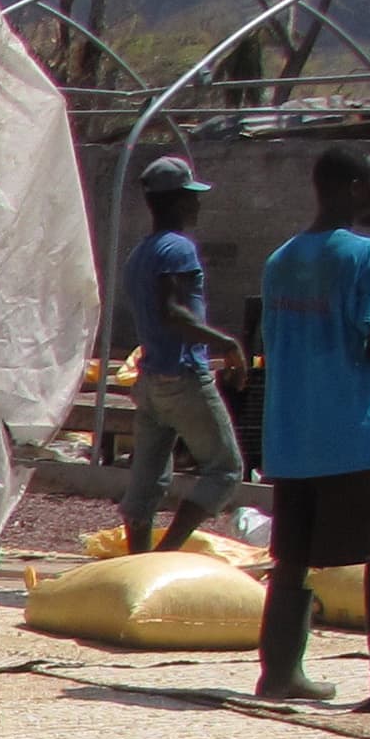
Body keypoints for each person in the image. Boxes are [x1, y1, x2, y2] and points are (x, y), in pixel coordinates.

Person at [254, 147, 370, 710]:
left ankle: (279, 674)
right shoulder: (365, 256)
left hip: (292, 436)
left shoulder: (281, 260)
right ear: (350, 187)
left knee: (291, 557)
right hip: (350, 431)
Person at [116, 154, 249, 555]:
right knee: (225, 469)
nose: (197, 204)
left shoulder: (139, 254)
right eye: (191, 196)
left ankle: (137, 562)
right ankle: (167, 552)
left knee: (148, 478)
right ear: (175, 201)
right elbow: (173, 312)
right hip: (183, 376)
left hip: (151, 378)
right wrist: (228, 345)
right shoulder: (179, 250)